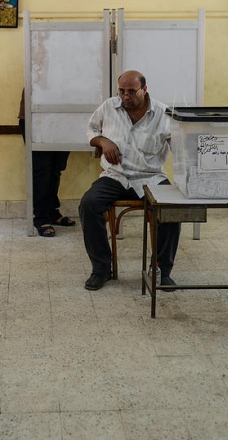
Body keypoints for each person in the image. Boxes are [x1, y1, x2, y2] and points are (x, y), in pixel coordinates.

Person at [78, 70, 181, 291]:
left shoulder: (163, 114)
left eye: (132, 92)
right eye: (122, 91)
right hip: (116, 176)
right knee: (89, 204)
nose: (125, 96)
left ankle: (161, 271)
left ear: (144, 90)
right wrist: (103, 141)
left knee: (172, 208)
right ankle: (101, 269)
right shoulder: (109, 107)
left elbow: (180, 148)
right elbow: (91, 130)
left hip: (150, 177)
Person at [19, 90, 73, 237]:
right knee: (42, 171)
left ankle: (51, 212)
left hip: (62, 118)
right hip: (36, 117)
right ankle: (41, 217)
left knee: (56, 169)